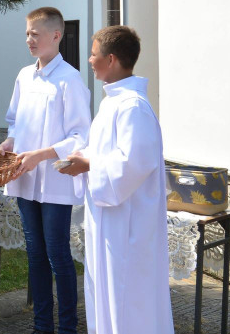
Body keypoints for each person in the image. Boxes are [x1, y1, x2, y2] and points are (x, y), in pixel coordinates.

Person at [62, 26, 173, 334]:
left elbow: (133, 164)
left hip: (128, 225)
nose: (89, 59)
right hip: (110, 220)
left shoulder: (133, 106)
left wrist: (89, 163)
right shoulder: (113, 101)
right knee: (109, 296)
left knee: (127, 300)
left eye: (94, 54)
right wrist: (85, 157)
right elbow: (110, 153)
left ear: (110, 60)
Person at [0, 7, 90, 334]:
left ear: (56, 35)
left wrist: (43, 155)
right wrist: (10, 142)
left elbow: (81, 135)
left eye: (35, 34)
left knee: (58, 256)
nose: (29, 40)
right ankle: (41, 327)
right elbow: (14, 120)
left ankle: (67, 328)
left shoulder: (70, 79)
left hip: (54, 182)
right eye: (27, 34)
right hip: (25, 179)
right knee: (35, 255)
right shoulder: (24, 76)